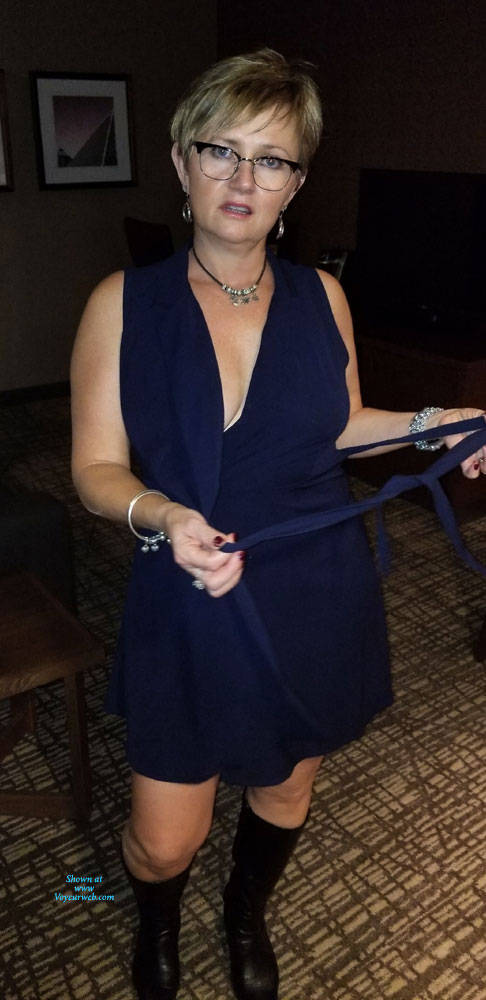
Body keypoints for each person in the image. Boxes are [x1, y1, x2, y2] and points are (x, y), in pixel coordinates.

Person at [70, 48, 486, 1000]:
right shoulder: (122, 304)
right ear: (181, 162)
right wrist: (165, 514)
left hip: (315, 583)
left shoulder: (322, 297)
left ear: (296, 184)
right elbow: (94, 469)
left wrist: (437, 421)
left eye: (271, 159)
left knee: (286, 784)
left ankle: (246, 911)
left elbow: (340, 424)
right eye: (221, 149)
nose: (243, 178)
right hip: (188, 581)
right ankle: (157, 921)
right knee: (164, 841)